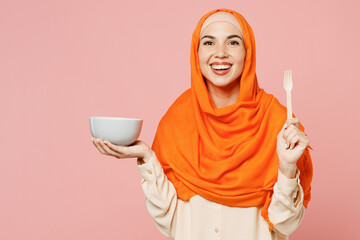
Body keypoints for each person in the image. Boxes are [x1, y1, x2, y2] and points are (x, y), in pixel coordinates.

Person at [91, 8, 313, 240]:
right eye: (208, 43)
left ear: (248, 52)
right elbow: (169, 221)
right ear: (195, 52)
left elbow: (285, 225)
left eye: (233, 43)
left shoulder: (280, 123)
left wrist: (287, 168)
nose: (220, 53)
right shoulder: (177, 118)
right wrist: (147, 158)